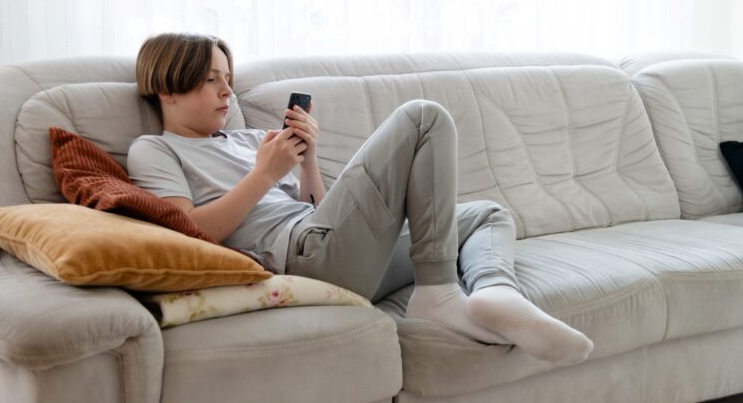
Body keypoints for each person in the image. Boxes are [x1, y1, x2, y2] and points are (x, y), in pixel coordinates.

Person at [127, 32, 594, 366]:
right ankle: (438, 294)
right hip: (301, 258)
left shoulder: (251, 139)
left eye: (227, 77)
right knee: (422, 117)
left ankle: (495, 292)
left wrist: (307, 161)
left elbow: (318, 212)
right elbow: (193, 232)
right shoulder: (155, 149)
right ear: (168, 88)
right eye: (212, 80)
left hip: (338, 252)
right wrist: (265, 174)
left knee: (485, 213)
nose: (227, 90)